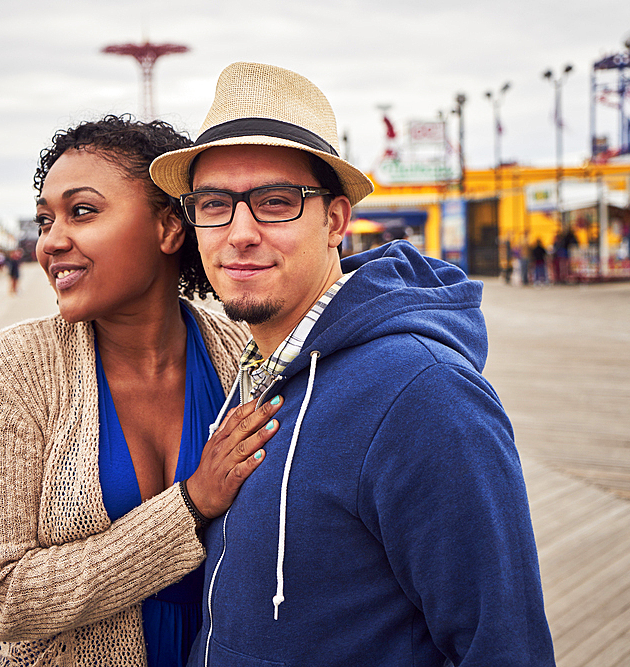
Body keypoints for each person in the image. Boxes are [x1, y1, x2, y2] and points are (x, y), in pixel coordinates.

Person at [150, 62, 555, 666]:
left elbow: (501, 644)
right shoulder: (257, 365)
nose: (239, 233)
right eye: (213, 204)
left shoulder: (424, 393)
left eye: (276, 202)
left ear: (336, 220)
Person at [0, 114, 284, 667]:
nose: (51, 242)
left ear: (168, 229)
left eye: (81, 212)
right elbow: (1, 598)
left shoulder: (244, 359)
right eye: (44, 220)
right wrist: (191, 505)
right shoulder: (16, 369)